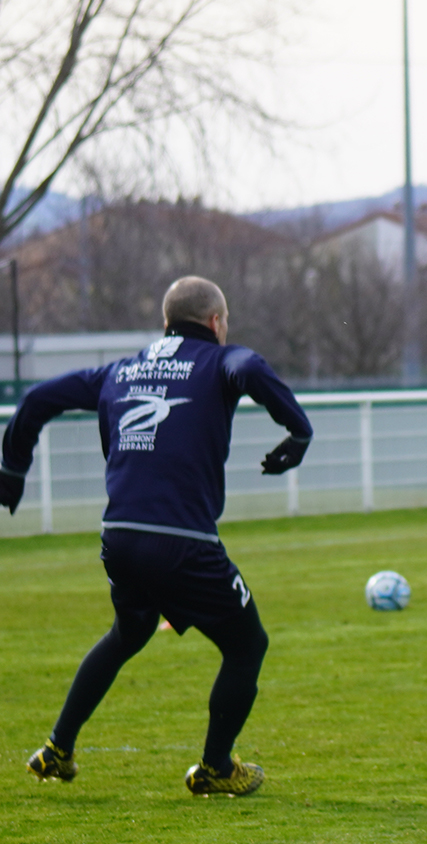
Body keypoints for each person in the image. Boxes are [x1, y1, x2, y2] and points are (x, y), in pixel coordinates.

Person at [0, 276, 313, 795]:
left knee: (130, 632)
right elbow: (249, 366)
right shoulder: (218, 360)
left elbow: (37, 399)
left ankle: (58, 747)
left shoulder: (120, 370)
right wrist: (297, 430)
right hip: (182, 542)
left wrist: (11, 470)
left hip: (118, 537)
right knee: (247, 645)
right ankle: (216, 767)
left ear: (165, 323)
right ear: (216, 322)